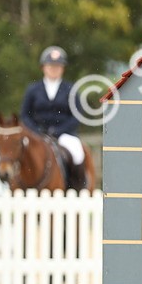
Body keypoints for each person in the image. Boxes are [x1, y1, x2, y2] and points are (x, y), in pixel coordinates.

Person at [19, 45, 87, 189]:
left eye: (58, 66)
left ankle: (78, 188)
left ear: (63, 68)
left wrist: (59, 130)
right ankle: (18, 185)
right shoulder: (33, 90)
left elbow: (76, 115)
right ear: (43, 67)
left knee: (77, 152)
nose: (54, 69)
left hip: (64, 134)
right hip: (37, 134)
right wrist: (36, 130)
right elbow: (25, 115)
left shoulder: (70, 89)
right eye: (51, 65)